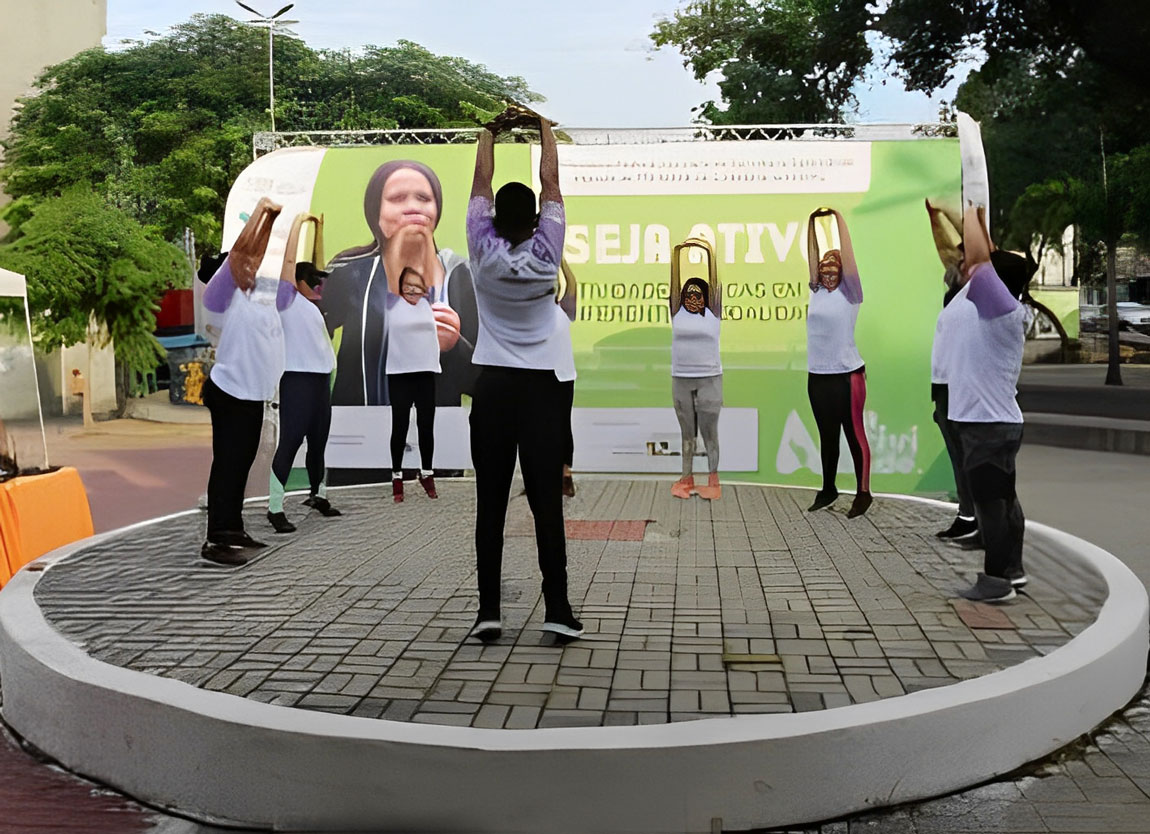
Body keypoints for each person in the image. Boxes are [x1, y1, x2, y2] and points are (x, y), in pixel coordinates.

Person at [466, 109, 582, 642]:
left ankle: (489, 612)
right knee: (544, 507)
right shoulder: (546, 251)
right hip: (541, 390)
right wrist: (542, 129)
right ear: (537, 220)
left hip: (492, 386)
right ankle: (556, 610)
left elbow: (479, 182)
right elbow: (551, 181)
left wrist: (489, 132)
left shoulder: (481, 252)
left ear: (491, 219)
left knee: (490, 502)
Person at [320, 160, 472, 408]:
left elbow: (482, 382)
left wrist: (455, 346)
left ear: (437, 209)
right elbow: (305, 343)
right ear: (375, 211)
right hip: (359, 430)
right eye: (398, 198)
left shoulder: (459, 275)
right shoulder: (350, 273)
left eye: (423, 198)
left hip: (436, 433)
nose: (413, 207)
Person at [948, 206, 1029, 603]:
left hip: (987, 424)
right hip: (994, 421)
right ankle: (1012, 571)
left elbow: (981, 260)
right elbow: (986, 257)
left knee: (991, 505)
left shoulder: (1000, 309)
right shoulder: (1004, 307)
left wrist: (967, 211)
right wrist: (977, 218)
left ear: (999, 282)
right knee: (1004, 500)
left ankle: (996, 582)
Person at [200, 198, 287, 566]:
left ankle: (233, 529)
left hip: (251, 395)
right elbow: (240, 253)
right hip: (231, 392)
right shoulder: (221, 294)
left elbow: (255, 254)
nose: (255, 265)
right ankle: (217, 539)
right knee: (229, 465)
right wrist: (261, 212)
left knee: (241, 464)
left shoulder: (254, 296)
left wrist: (272, 221)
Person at [267, 214, 342, 534]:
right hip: (296, 379)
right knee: (290, 442)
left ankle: (318, 495)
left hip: (320, 380)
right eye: (311, 280)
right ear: (297, 282)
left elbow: (317, 267)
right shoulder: (287, 301)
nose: (318, 284)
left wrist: (320, 229)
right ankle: (274, 508)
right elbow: (290, 263)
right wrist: (298, 224)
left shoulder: (316, 304)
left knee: (319, 441)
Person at [804, 207, 873, 518]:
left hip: (847, 375)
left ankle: (863, 492)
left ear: (843, 273)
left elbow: (848, 253)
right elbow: (812, 253)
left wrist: (837, 219)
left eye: (834, 270)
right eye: (824, 270)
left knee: (854, 434)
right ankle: (828, 488)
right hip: (818, 376)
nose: (828, 274)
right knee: (827, 436)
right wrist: (812, 223)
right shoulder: (817, 291)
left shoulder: (851, 293)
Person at [925, 200, 978, 541]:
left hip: (966, 384)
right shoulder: (956, 289)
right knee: (958, 457)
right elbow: (946, 249)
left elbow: (980, 245)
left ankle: (980, 519)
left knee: (972, 456)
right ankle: (968, 515)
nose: (956, 258)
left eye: (965, 255)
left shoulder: (984, 286)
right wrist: (934, 218)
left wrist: (948, 209)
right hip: (945, 386)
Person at [669, 239, 723, 500]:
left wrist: (707, 251)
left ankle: (713, 480)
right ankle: (686, 478)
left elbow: (714, 277)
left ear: (705, 297)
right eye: (687, 294)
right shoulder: (676, 312)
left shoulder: (713, 311)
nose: (692, 298)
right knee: (686, 433)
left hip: (710, 379)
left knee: (709, 432)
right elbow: (674, 279)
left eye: (697, 294)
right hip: (681, 379)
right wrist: (677, 252)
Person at [386, 259, 443, 502]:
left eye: (416, 286)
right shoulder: (391, 305)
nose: (411, 290)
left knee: (426, 426)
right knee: (399, 426)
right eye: (407, 285)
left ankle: (427, 473)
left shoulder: (428, 306)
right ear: (399, 287)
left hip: (426, 373)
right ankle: (397, 476)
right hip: (399, 375)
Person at [554, 259, 578, 498]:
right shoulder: (529, 312)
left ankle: (565, 472)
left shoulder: (564, 309)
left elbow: (573, 283)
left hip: (563, 377)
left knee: (562, 426)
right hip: (538, 377)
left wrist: (560, 260)